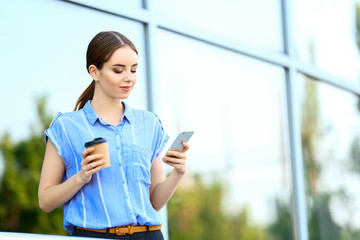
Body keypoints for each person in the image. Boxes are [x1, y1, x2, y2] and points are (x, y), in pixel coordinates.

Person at [38, 31, 189, 239]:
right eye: (118, 70)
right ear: (94, 72)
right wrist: (81, 177)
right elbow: (45, 201)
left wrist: (178, 172)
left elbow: (154, 201)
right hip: (95, 236)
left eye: (134, 70)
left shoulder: (149, 124)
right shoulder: (66, 127)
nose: (129, 78)